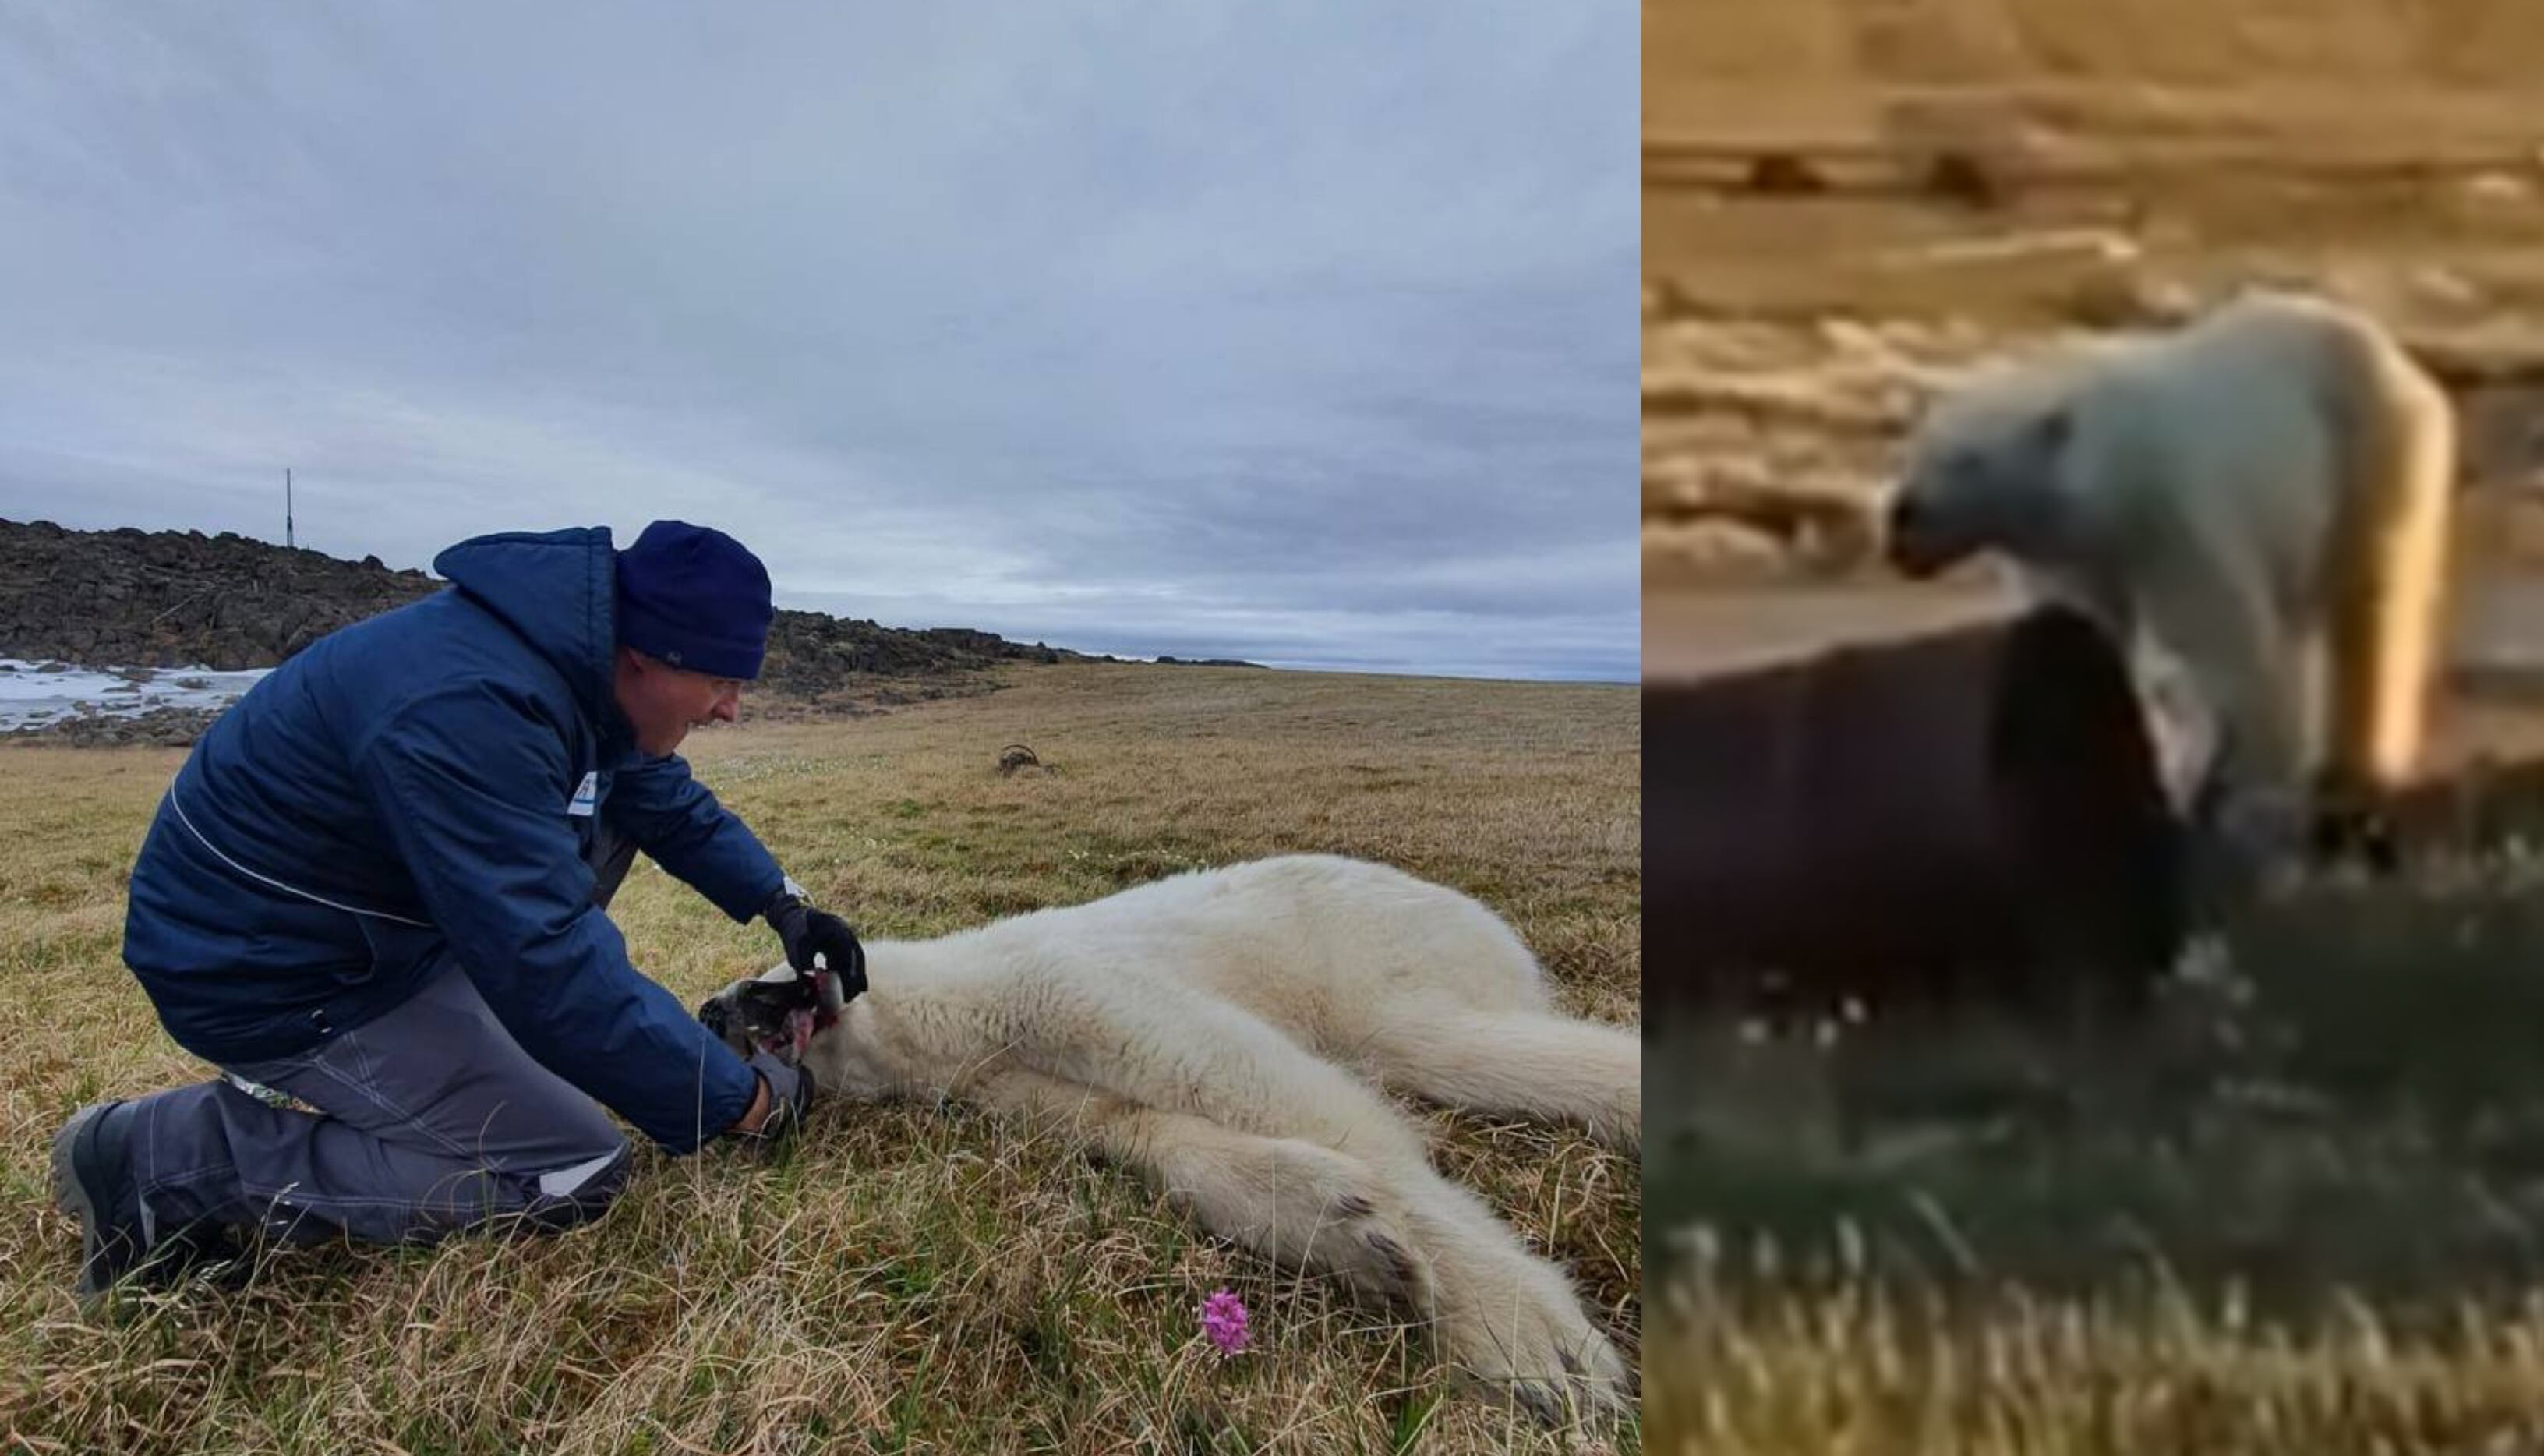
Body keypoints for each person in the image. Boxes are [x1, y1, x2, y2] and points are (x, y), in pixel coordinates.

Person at [48, 519, 867, 1300]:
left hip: (364, 932)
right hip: (266, 969)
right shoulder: (471, 706)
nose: (730, 707)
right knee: (570, 1165)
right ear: (648, 655)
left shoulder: (574, 672)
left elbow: (660, 800)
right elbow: (544, 958)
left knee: (598, 878)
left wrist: (784, 904)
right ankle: (162, 1161)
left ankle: (470, 1046)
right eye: (721, 679)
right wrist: (740, 1103)